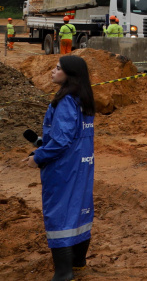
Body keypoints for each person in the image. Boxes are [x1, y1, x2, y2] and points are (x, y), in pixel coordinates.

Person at [25, 55, 96, 281]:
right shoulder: (83, 99)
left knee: (60, 216)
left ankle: (63, 273)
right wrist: (40, 143)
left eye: (58, 68)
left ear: (70, 74)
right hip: (82, 165)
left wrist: (38, 157)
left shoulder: (65, 101)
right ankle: (78, 262)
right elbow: (72, 136)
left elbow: (61, 141)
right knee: (80, 209)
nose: (52, 72)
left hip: (64, 169)